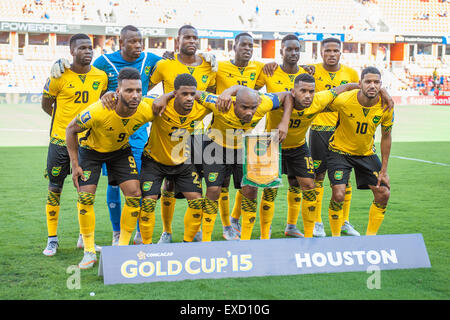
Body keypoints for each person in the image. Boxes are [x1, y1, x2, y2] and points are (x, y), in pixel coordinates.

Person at [50, 25, 162, 246]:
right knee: (109, 186)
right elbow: (84, 70)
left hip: (136, 132)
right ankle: (115, 232)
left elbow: (172, 65)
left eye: (140, 41)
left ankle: (138, 232)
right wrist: (62, 64)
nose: (138, 45)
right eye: (132, 41)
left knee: (134, 185)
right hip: (103, 132)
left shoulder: (150, 59)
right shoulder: (104, 62)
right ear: (121, 43)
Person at [65, 67, 157, 269]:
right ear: (118, 91)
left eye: (138, 91)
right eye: (129, 91)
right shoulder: (99, 110)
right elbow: (70, 129)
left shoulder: (146, 108)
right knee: (86, 197)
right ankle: (89, 251)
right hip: (91, 152)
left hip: (119, 151)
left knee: (134, 194)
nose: (135, 95)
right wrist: (75, 165)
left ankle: (122, 248)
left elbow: (167, 99)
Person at [147, 25, 216, 244]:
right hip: (171, 134)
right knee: (169, 184)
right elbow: (145, 87)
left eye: (196, 37)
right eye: (187, 37)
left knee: (206, 186)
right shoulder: (165, 64)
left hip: (199, 135)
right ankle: (166, 232)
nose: (192, 41)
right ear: (177, 40)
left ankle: (197, 231)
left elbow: (212, 96)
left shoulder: (209, 65)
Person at [41, 33, 108, 257]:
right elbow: (46, 104)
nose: (88, 51)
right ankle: (52, 239)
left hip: (88, 144)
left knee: (85, 192)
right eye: (82, 48)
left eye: (90, 48)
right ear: (71, 51)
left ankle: (84, 237)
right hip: (60, 142)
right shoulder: (58, 75)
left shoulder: (101, 76)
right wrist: (66, 124)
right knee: (55, 189)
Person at [197, 86, 293, 241]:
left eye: (253, 108)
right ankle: (206, 240)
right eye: (244, 107)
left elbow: (287, 96)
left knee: (250, 189)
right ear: (234, 104)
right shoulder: (219, 103)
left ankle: (246, 240)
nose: (249, 112)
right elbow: (194, 93)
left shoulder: (264, 103)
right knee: (214, 190)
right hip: (215, 147)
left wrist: (285, 122)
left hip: (243, 148)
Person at [139, 73, 213, 243]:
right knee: (148, 203)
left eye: (192, 94)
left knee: (196, 202)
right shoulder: (159, 105)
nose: (189, 98)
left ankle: (188, 243)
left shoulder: (201, 108)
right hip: (154, 161)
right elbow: (133, 98)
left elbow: (222, 99)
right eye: (184, 94)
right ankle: (148, 247)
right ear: (175, 93)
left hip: (182, 162)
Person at [326, 66, 393, 237]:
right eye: (368, 81)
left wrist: (384, 170)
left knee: (383, 193)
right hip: (339, 152)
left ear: (381, 85)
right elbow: (320, 103)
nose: (372, 85)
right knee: (339, 194)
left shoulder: (386, 106)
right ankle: (335, 238)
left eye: (376, 82)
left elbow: (386, 137)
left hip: (366, 154)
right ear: (360, 83)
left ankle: (370, 239)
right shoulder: (344, 100)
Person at [254, 34, 308, 238]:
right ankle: (264, 234)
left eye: (297, 49)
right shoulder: (270, 71)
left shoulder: (306, 74)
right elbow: (250, 91)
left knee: (297, 184)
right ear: (281, 51)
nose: (293, 53)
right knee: (269, 188)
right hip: (272, 141)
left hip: (297, 141)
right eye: (289, 49)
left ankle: (291, 226)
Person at [308, 37, 361, 237]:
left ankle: (344, 221)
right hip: (319, 129)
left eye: (335, 51)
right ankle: (317, 222)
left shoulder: (351, 73)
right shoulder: (310, 71)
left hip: (344, 132)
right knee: (318, 176)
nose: (331, 54)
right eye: (327, 51)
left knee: (344, 179)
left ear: (341, 53)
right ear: (321, 53)